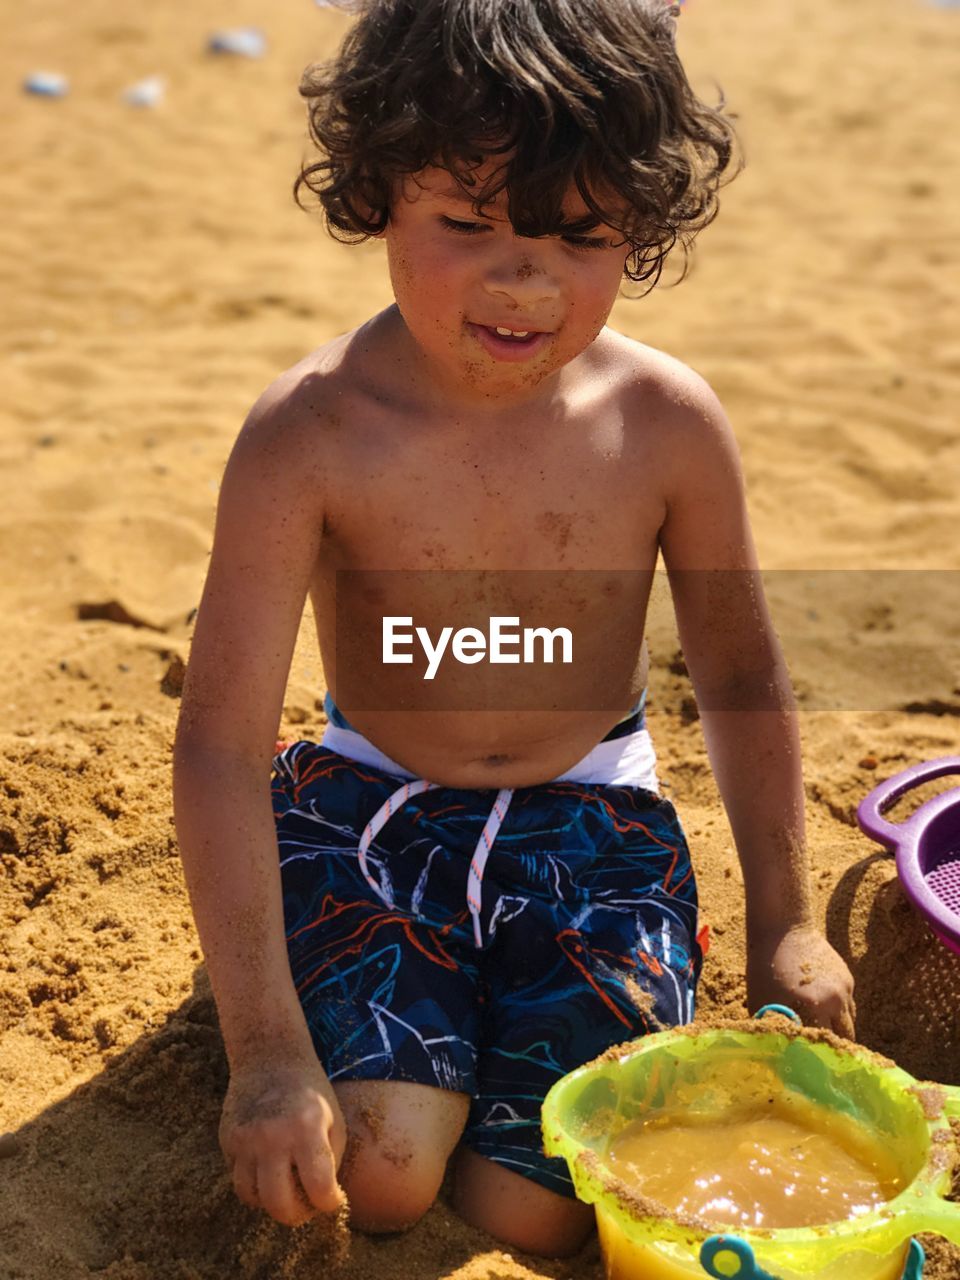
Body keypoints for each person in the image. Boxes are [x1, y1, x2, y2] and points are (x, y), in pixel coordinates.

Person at [173, 0, 856, 1260]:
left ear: (640, 228)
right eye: (466, 223)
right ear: (378, 192)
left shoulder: (666, 424)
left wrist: (786, 921)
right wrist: (265, 1055)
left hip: (593, 820)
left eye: (578, 234)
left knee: (539, 1200)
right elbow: (219, 747)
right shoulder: (308, 435)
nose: (522, 278)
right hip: (373, 808)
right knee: (375, 1171)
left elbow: (741, 673)